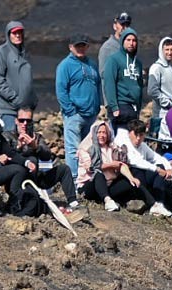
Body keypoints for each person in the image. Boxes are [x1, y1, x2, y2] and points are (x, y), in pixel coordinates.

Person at [76, 121, 155, 212]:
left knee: (132, 179)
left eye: (104, 132)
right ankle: (107, 200)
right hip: (89, 186)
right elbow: (91, 168)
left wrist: (131, 178)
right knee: (98, 174)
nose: (102, 135)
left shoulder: (112, 148)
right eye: (99, 132)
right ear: (94, 133)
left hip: (107, 185)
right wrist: (111, 165)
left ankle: (153, 204)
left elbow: (121, 165)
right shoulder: (86, 149)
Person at [10, 108, 79, 208]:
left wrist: (35, 147)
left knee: (64, 169)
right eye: (21, 120)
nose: (24, 123)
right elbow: (7, 156)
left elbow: (47, 156)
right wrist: (18, 147)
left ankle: (73, 201)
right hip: (18, 178)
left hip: (38, 177)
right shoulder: (9, 136)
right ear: (16, 121)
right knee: (31, 160)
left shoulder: (37, 137)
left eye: (28, 121)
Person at [55, 34, 101, 180]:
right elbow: (61, 90)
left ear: (87, 47)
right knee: (73, 150)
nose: (80, 48)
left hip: (91, 114)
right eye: (77, 46)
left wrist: (98, 105)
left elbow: (98, 85)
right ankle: (74, 179)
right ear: (70, 47)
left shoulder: (92, 64)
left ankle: (87, 178)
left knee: (89, 148)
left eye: (83, 45)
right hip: (75, 115)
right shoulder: (65, 66)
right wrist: (70, 110)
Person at [113, 119, 172, 216]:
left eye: (141, 135)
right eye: (136, 135)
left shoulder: (142, 145)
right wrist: (156, 169)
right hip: (125, 178)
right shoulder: (123, 142)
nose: (138, 138)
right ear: (129, 133)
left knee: (161, 166)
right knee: (138, 170)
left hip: (141, 179)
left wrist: (168, 168)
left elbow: (156, 157)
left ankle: (159, 203)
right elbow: (134, 161)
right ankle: (153, 204)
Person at [0, 22, 36, 132]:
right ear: (8, 34)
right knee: (10, 140)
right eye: (14, 33)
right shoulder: (2, 52)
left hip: (26, 111)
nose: (18, 35)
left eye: (20, 32)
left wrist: (33, 100)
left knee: (27, 142)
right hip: (8, 110)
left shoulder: (25, 53)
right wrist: (14, 99)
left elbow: (28, 80)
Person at [104, 28, 146, 135]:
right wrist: (114, 107)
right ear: (122, 41)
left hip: (133, 109)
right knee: (120, 143)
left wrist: (139, 108)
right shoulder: (114, 60)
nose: (131, 43)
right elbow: (109, 84)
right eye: (128, 40)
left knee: (132, 143)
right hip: (121, 106)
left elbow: (139, 86)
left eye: (134, 40)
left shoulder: (138, 64)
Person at [148, 37, 172, 143]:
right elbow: (152, 90)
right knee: (161, 144)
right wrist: (168, 103)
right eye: (166, 50)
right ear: (161, 50)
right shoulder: (156, 68)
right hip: (161, 114)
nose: (169, 52)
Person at [99, 12, 133, 108]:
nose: (125, 27)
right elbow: (104, 74)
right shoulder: (107, 48)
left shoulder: (130, 47)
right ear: (115, 26)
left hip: (130, 100)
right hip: (116, 102)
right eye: (122, 24)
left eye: (127, 25)